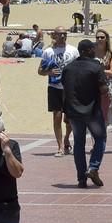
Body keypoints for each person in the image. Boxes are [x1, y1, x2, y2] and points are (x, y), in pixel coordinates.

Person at [62, 39, 108, 188]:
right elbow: (103, 89)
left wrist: (65, 112)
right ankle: (93, 167)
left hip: (74, 112)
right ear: (87, 51)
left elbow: (65, 89)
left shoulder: (68, 68)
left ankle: (81, 178)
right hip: (92, 112)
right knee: (100, 138)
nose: (94, 50)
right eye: (92, 49)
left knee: (79, 143)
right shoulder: (96, 67)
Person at [38, 27, 78, 157]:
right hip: (54, 87)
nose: (63, 36)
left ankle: (67, 139)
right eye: (60, 34)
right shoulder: (48, 52)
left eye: (65, 34)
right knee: (57, 116)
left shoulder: (73, 50)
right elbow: (40, 70)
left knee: (70, 119)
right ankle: (60, 146)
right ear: (54, 35)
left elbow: (79, 67)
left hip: (70, 88)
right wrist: (48, 72)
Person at [94, 29, 112, 123]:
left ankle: (102, 136)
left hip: (104, 88)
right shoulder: (91, 51)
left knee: (103, 114)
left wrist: (99, 71)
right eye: (97, 37)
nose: (99, 39)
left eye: (102, 37)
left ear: (106, 39)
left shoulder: (111, 53)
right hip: (91, 87)